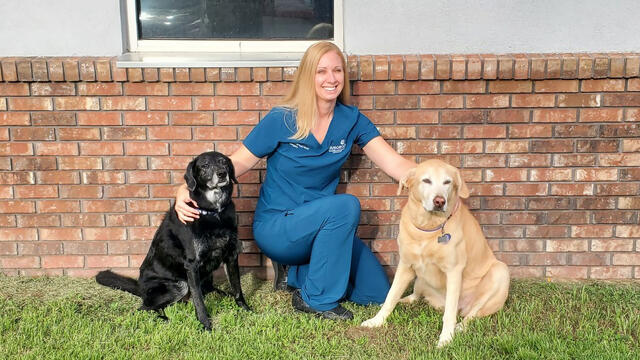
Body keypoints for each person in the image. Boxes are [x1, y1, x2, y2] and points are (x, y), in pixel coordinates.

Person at [175, 41, 416, 320]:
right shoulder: (283, 118)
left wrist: (440, 181)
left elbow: (395, 164)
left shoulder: (352, 120)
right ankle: (315, 299)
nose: (331, 78)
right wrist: (185, 188)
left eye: (337, 70)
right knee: (346, 206)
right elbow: (237, 162)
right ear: (307, 76)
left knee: (376, 292)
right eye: (321, 71)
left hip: (323, 228)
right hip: (278, 227)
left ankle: (299, 273)